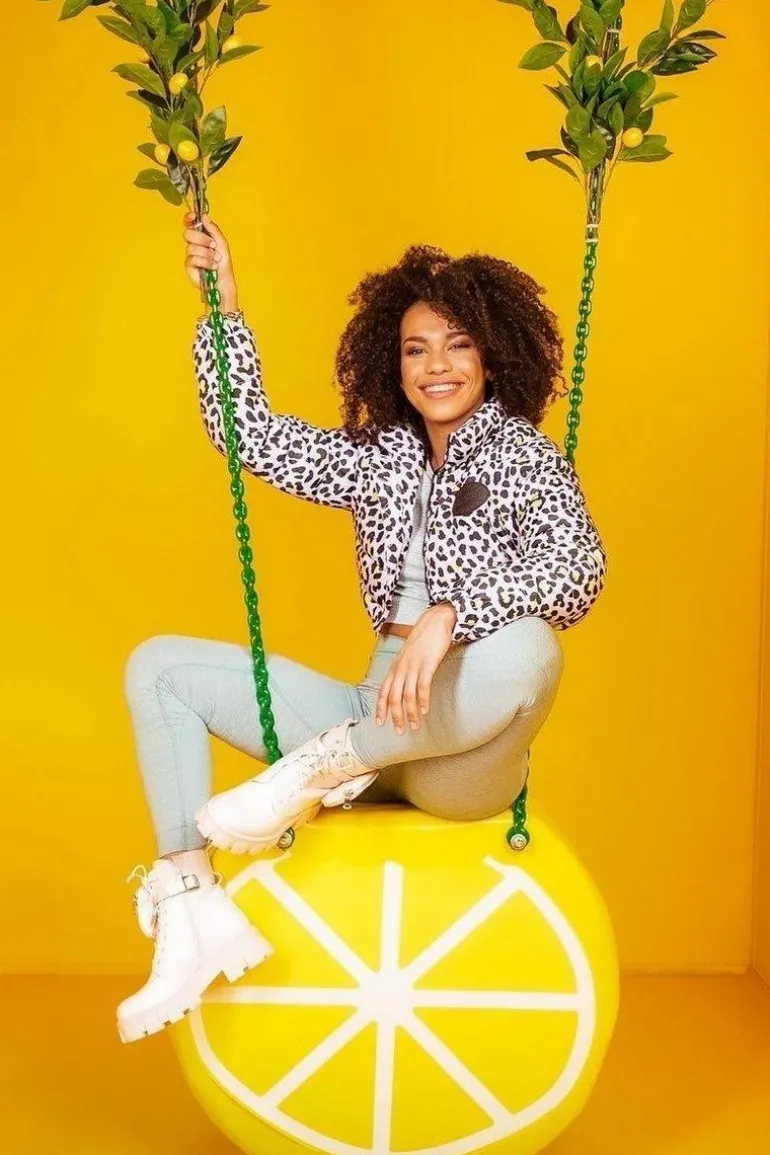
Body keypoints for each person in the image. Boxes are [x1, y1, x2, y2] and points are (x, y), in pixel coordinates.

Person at [116, 213, 608, 1043]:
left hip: (457, 750)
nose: (437, 365)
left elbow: (579, 568)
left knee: (532, 645)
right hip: (374, 709)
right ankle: (192, 905)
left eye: (457, 344)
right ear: (394, 362)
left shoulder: (525, 457)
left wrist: (451, 614)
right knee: (158, 666)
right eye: (416, 349)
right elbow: (248, 435)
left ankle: (321, 766)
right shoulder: (379, 458)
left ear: (492, 356)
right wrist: (223, 307)